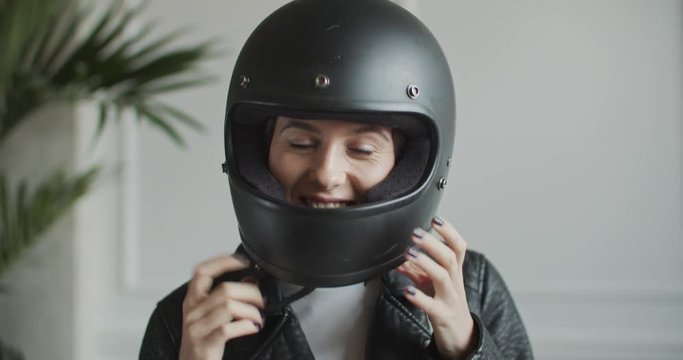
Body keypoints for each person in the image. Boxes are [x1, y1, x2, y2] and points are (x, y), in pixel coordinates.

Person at [140, 0, 533, 359]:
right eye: (299, 142)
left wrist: (465, 344)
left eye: (361, 149)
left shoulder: (472, 288)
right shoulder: (189, 317)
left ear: (409, 163)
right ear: (258, 154)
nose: (327, 175)